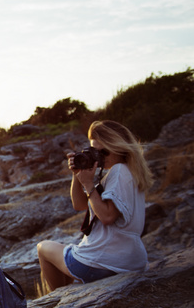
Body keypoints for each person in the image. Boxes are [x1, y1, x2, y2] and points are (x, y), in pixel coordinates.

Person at [37, 120, 153, 293]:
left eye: (104, 152)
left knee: (43, 247)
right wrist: (78, 175)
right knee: (67, 251)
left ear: (118, 146)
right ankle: (66, 296)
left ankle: (60, 300)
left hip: (103, 262)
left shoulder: (119, 171)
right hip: (128, 259)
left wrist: (89, 186)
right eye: (95, 152)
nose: (100, 158)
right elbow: (80, 204)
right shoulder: (130, 172)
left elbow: (107, 217)